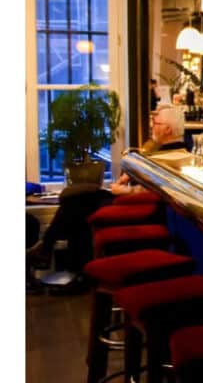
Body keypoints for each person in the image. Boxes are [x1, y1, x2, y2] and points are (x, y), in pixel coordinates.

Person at [26, 104, 186, 273]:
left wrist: (126, 191)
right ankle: (55, 255)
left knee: (76, 204)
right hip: (128, 197)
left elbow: (159, 191)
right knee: (75, 198)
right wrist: (126, 178)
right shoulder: (156, 149)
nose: (152, 126)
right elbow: (138, 173)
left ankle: (49, 250)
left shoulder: (174, 156)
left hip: (139, 206)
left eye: (156, 122)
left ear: (168, 129)